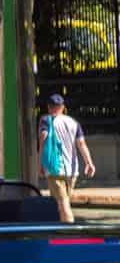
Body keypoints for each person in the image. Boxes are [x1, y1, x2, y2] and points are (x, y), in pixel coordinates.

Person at [39, 93, 96, 222]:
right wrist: (89, 163)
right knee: (63, 203)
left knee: (63, 202)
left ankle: (70, 232)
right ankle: (62, 230)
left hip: (54, 168)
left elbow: (43, 139)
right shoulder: (73, 122)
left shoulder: (46, 120)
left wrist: (40, 163)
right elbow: (81, 144)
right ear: (62, 107)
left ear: (49, 107)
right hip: (72, 170)